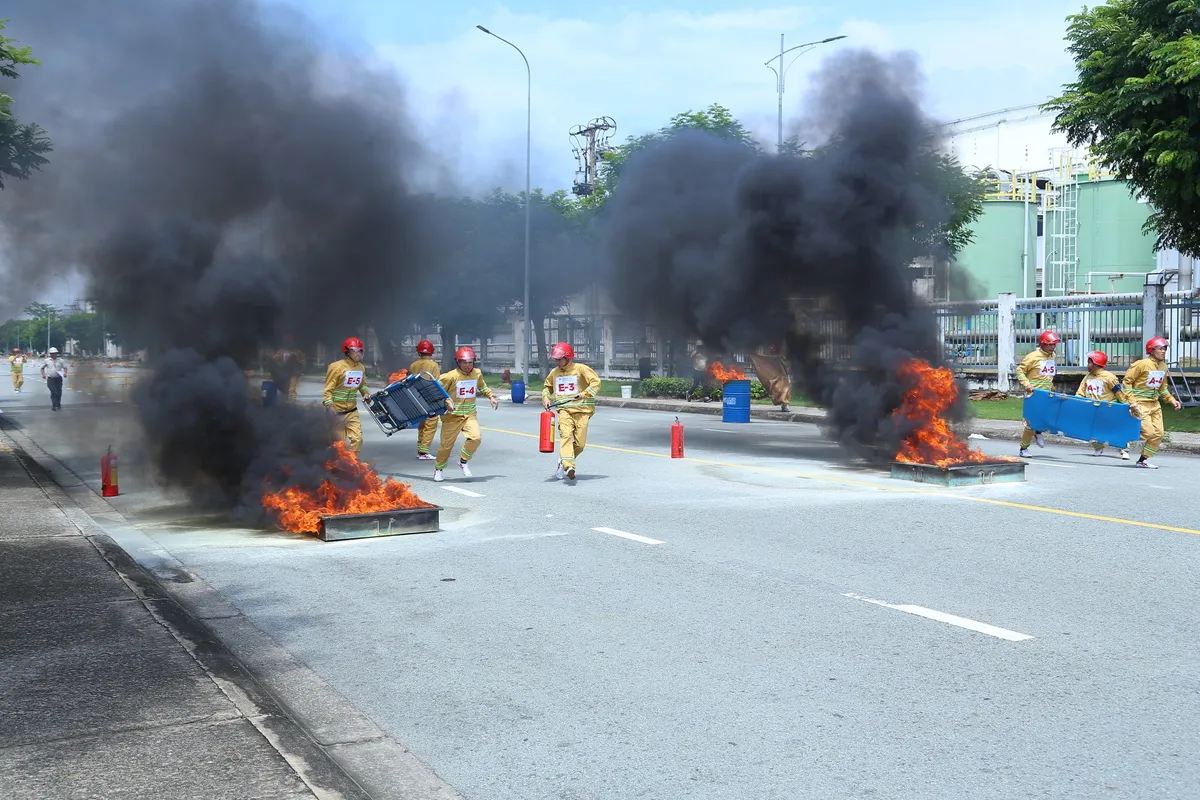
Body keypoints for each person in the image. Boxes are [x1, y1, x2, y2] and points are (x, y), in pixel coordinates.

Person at [434, 346, 498, 482]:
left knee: (476, 438)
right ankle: (439, 469)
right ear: (458, 362)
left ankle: (463, 461)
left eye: (470, 362)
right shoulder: (450, 376)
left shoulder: (477, 373)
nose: (467, 365)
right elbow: (437, 391)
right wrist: (446, 401)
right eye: (464, 362)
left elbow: (482, 386)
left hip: (469, 414)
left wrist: (491, 396)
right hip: (452, 416)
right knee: (446, 446)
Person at [542, 341, 601, 481]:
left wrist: (585, 393)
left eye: (559, 359)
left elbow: (596, 382)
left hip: (583, 411)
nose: (557, 362)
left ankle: (563, 460)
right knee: (566, 436)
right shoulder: (554, 373)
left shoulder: (581, 369)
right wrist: (545, 398)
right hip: (564, 411)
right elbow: (547, 387)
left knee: (580, 445)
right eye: (555, 359)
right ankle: (569, 466)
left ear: (567, 357)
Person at [1122, 336, 1182, 469]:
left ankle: (1143, 460)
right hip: (1140, 404)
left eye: (1165, 349)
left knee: (1159, 434)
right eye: (1160, 348)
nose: (1163, 351)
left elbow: (1162, 388)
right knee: (1148, 433)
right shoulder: (1141, 364)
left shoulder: (1163, 366)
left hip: (1155, 404)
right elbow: (1127, 382)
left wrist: (1172, 400)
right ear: (1151, 350)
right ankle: (1123, 442)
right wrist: (1132, 401)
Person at [1074, 349, 1135, 459]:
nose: (1088, 365)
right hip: (1092, 409)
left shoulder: (1109, 377)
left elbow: (1119, 392)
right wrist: (1076, 402)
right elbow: (1080, 392)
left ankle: (1124, 450)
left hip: (1107, 409)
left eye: (1089, 362)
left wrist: (1126, 404)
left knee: (1114, 430)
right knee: (1091, 430)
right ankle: (1098, 448)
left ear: (1096, 364)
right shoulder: (1087, 377)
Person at [1016, 330, 1060, 457]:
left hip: (1047, 394)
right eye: (1050, 344)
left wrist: (1051, 386)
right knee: (1030, 423)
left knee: (1047, 418)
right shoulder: (1032, 357)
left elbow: (1047, 374)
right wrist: (1027, 385)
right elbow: (1020, 371)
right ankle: (1023, 448)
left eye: (1054, 344)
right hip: (1034, 395)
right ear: (1043, 344)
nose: (1053, 347)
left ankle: (1038, 431)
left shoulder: (1053, 356)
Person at [323, 337, 371, 453]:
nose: (358, 354)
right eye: (355, 350)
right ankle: (341, 467)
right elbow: (328, 389)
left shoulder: (361, 367)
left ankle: (353, 462)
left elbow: (362, 384)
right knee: (340, 444)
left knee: (357, 439)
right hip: (337, 411)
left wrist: (366, 393)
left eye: (360, 351)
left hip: (352, 411)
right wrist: (330, 406)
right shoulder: (336, 367)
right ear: (347, 351)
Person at [408, 339, 441, 460]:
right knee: (431, 424)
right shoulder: (433, 365)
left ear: (419, 352)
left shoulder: (413, 365)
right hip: (430, 397)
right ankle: (424, 452)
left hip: (416, 397)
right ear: (431, 352)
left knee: (422, 423)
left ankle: (420, 449)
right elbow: (436, 382)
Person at [268, 333, 307, 402]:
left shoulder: (297, 352)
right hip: (285, 372)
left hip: (294, 373)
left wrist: (296, 360)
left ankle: (292, 402)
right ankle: (286, 401)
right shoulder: (282, 351)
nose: (289, 343)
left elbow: (303, 362)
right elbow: (274, 358)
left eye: (290, 341)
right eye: (287, 341)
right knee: (285, 388)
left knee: (292, 388)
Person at [40, 347, 66, 411]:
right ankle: (54, 405)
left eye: (54, 353)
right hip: (50, 378)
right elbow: (42, 368)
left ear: (56, 353)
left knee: (59, 392)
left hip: (58, 378)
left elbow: (65, 367)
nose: (53, 354)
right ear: (50, 354)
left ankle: (58, 403)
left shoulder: (60, 360)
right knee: (53, 391)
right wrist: (43, 374)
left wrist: (65, 373)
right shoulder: (47, 360)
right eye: (52, 353)